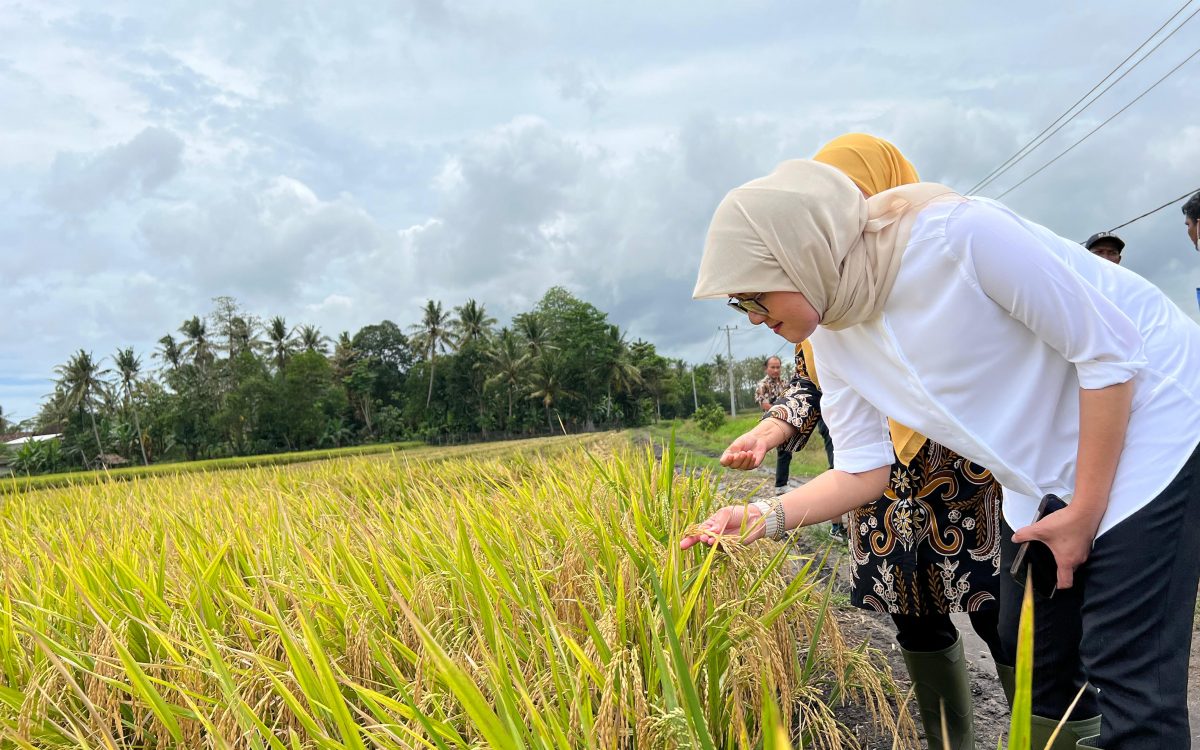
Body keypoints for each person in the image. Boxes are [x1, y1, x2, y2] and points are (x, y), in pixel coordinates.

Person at [683, 158, 1200, 750]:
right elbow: (862, 470)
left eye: (755, 294)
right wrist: (760, 517)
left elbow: (1110, 354)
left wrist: (1085, 511)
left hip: (1156, 421)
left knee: (1126, 669)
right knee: (1030, 645)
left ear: (803, 254)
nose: (752, 317)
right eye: (737, 304)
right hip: (1043, 466)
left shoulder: (958, 238)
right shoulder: (833, 333)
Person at [718, 133, 1012, 750]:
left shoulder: (946, 263)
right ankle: (949, 743)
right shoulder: (824, 318)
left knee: (1004, 618)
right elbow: (811, 391)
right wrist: (768, 432)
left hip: (969, 480)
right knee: (917, 621)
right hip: (879, 488)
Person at [753, 355, 792, 493]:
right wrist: (779, 411)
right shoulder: (762, 385)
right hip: (771, 420)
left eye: (778, 367)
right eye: (773, 367)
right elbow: (763, 404)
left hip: (786, 419)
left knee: (786, 450)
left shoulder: (785, 382)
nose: (776, 370)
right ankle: (780, 484)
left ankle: (781, 485)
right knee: (781, 450)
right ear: (766, 368)